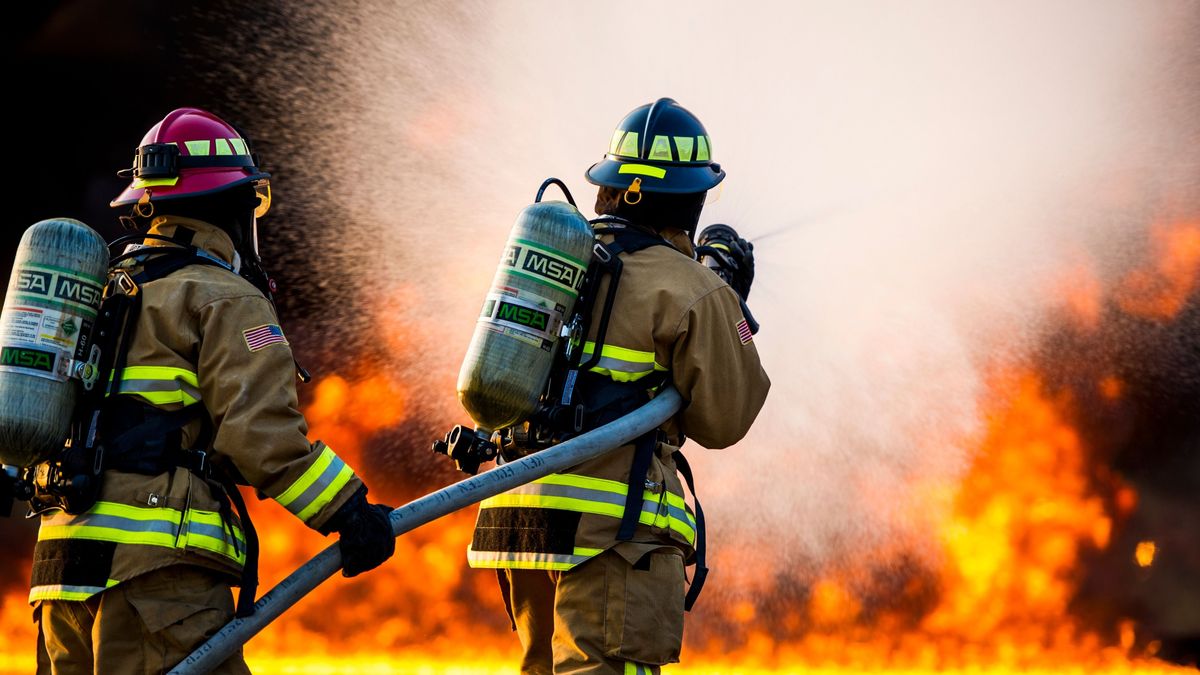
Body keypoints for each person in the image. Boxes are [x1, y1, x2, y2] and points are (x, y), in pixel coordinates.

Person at [31, 107, 396, 674]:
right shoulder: (224, 297)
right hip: (156, 577)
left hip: (60, 572)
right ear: (231, 204)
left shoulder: (104, 288)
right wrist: (349, 513)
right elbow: (262, 440)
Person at [466, 98, 771, 674]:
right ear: (692, 197)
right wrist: (729, 297)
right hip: (611, 534)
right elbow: (725, 418)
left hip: (524, 518)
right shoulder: (693, 289)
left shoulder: (561, 255)